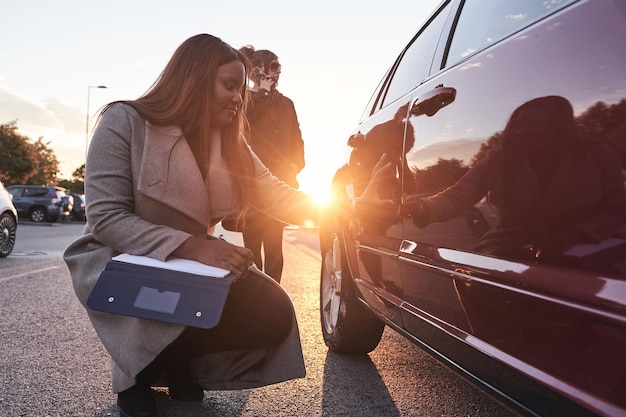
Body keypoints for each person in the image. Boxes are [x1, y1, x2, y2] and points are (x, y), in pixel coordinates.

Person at [63, 34, 318, 417]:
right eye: (229, 86)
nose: (238, 98)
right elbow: (106, 218)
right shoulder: (124, 121)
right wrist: (193, 246)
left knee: (272, 312)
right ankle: (138, 373)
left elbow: (279, 195)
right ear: (193, 79)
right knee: (159, 300)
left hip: (190, 268)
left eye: (240, 89)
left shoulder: (230, 141)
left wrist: (352, 209)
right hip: (118, 259)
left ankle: (175, 357)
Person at [359, 96, 626, 265]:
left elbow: (617, 208)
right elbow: (457, 197)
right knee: (472, 279)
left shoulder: (594, 155)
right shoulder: (500, 158)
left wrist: (576, 235)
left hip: (588, 247)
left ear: (559, 126)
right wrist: (417, 207)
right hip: (511, 245)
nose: (523, 131)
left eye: (534, 124)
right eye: (518, 124)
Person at [235, 45, 305, 283]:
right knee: (252, 250)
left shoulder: (287, 103)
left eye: (279, 67)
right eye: (273, 66)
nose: (278, 72)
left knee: (275, 249)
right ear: (258, 69)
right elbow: (242, 129)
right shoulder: (243, 100)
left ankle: (275, 297)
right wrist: (261, 93)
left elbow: (297, 138)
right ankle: (255, 296)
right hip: (252, 188)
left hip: (281, 186)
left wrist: (296, 166)